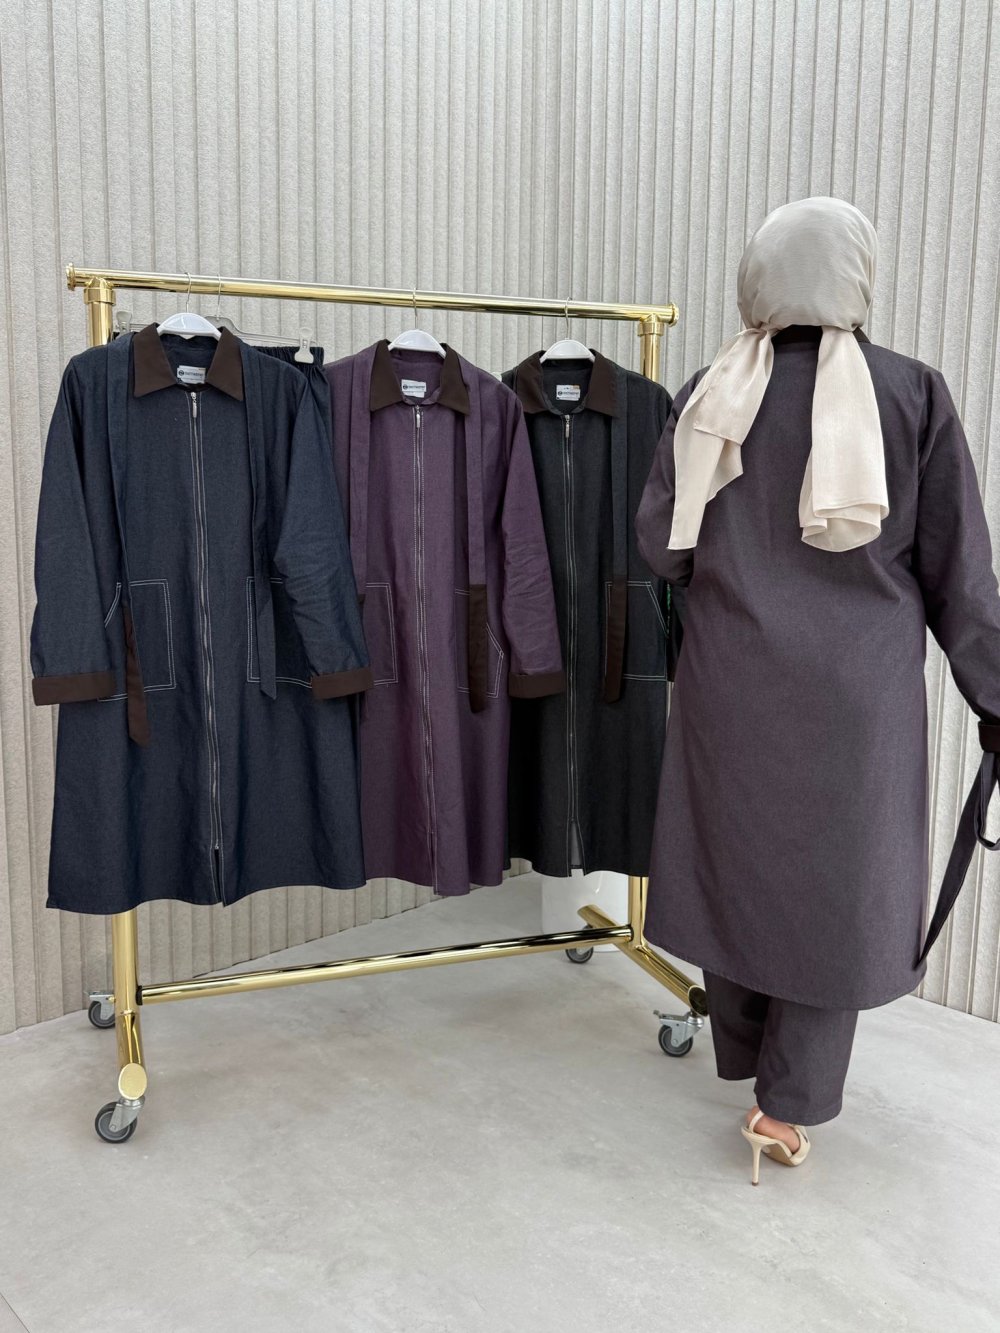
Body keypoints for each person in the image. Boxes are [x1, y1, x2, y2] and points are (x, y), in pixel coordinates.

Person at [635, 196, 1000, 1185]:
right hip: (855, 703)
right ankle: (784, 1103)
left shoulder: (710, 395)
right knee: (831, 897)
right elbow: (959, 574)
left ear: (756, 279)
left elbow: (660, 549)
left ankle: (752, 1063)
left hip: (730, 687)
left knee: (734, 869)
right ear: (856, 277)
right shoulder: (911, 394)